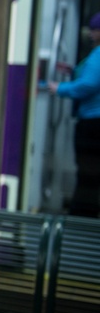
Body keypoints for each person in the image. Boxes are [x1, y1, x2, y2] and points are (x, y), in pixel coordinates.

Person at [48, 11, 100, 218]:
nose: (90, 33)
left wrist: (59, 88)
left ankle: (81, 219)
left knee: (88, 173)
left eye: (94, 29)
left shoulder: (98, 55)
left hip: (93, 123)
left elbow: (89, 84)